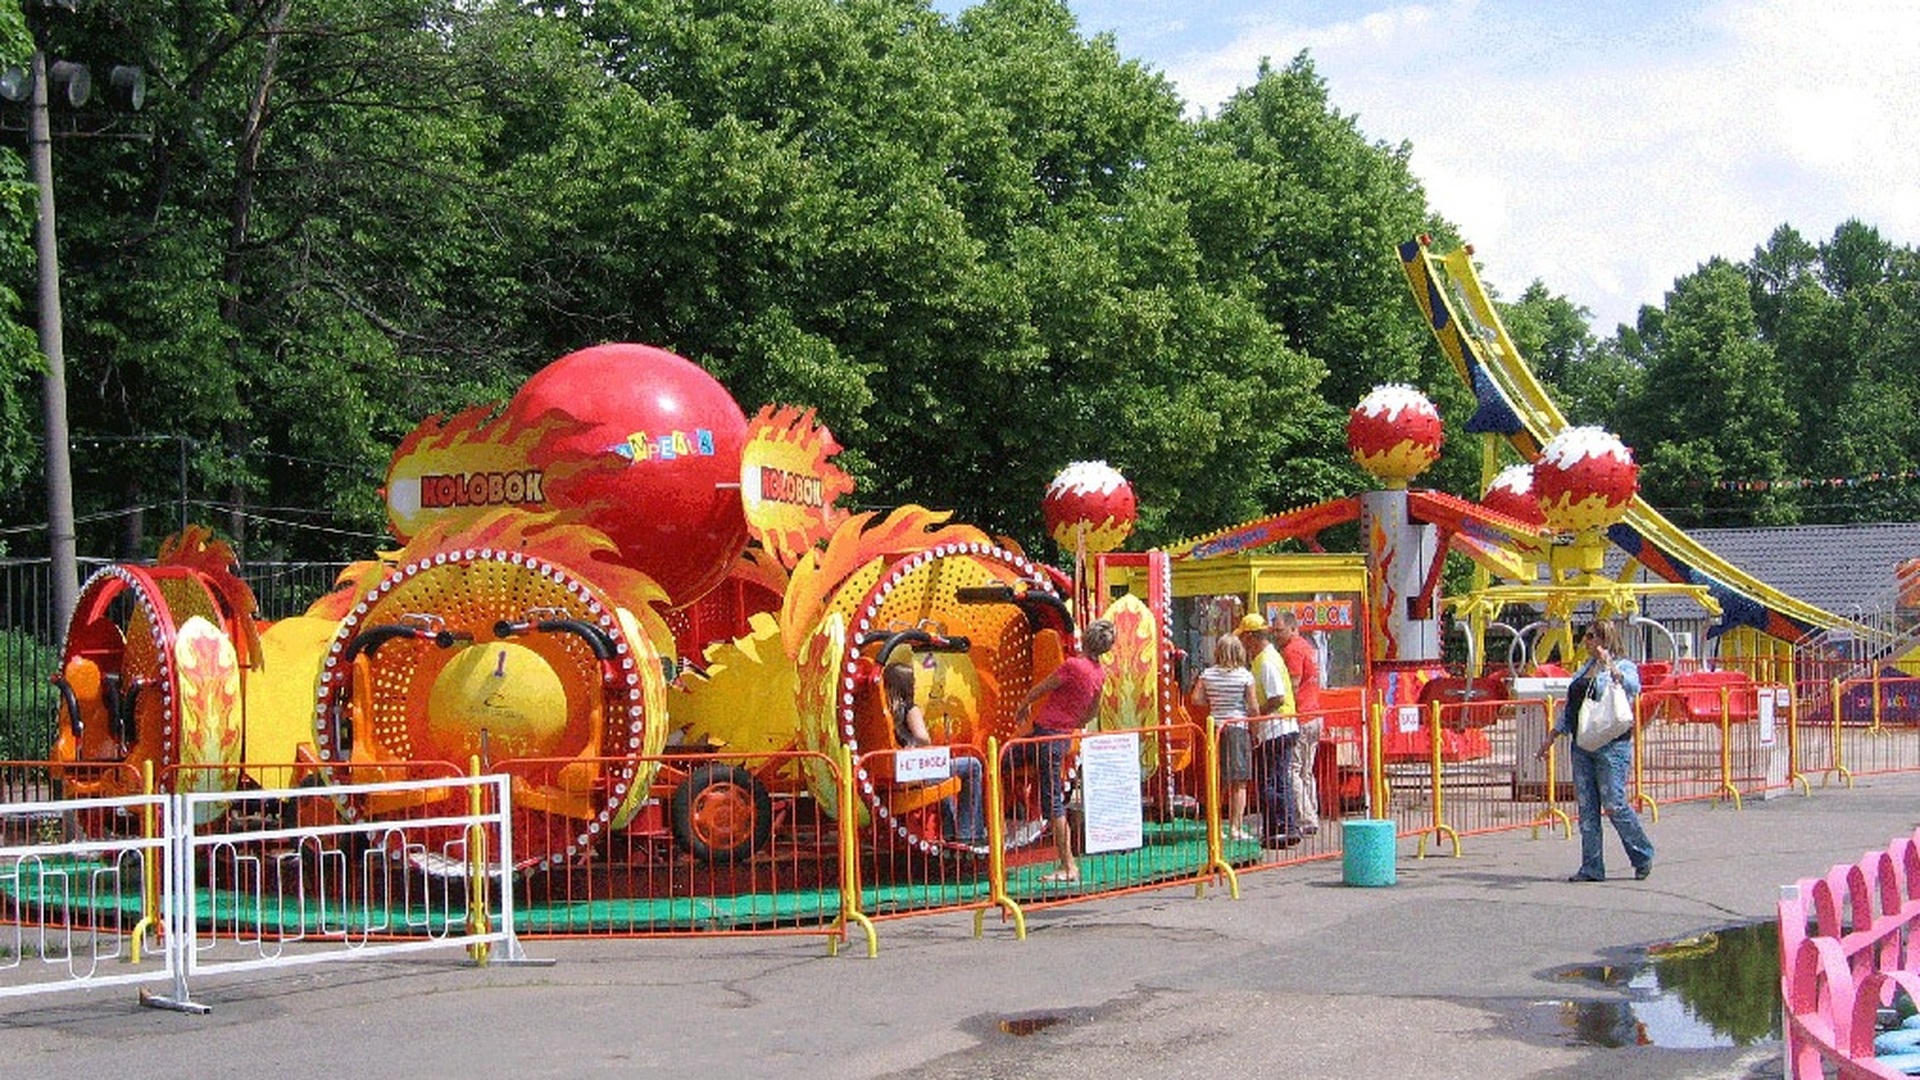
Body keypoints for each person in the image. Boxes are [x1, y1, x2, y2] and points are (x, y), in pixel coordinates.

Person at [1533, 619, 1654, 882]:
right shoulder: (1583, 669)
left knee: (1614, 803)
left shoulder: (1623, 666)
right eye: (1585, 636)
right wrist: (1552, 736)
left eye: (1590, 636)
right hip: (1582, 744)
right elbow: (1572, 707)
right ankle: (1592, 866)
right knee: (1587, 807)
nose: (1585, 641)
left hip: (1611, 744)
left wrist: (1609, 664)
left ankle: (1642, 853)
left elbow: (1633, 687)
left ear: (1604, 639)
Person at [1014, 618, 1117, 884]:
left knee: (1054, 803)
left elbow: (1043, 686)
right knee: (1010, 761)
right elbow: (1092, 710)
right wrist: (1075, 721)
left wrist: (1024, 703)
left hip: (1048, 734)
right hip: (1059, 735)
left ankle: (1068, 864)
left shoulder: (1073, 666)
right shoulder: (1098, 673)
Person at [884, 661, 985, 852]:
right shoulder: (909, 708)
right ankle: (970, 833)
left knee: (944, 774)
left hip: (894, 772)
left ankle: (949, 832)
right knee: (973, 765)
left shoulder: (886, 710)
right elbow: (923, 738)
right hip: (914, 772)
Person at [1190, 631, 1262, 844]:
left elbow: (1196, 698)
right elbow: (1253, 707)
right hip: (1237, 727)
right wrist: (1255, 730)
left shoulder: (1207, 674)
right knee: (1239, 781)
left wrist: (1213, 703)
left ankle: (1216, 827)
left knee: (1217, 780)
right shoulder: (1244, 675)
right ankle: (1235, 827)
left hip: (1216, 727)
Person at [1236, 614, 1299, 849]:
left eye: (1243, 638)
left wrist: (1256, 714)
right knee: (1278, 779)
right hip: (1279, 727)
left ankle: (1279, 827)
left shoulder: (1266, 661)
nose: (1242, 644)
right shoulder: (1264, 659)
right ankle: (1285, 826)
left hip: (1277, 727)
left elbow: (1277, 696)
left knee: (1272, 781)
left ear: (1252, 637)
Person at [1273, 610, 1324, 837]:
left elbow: (1292, 685)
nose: (1276, 635)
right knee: (1306, 771)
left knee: (1293, 770)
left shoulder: (1292, 650)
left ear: (1293, 628)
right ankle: (1311, 813)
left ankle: (1306, 817)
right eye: (1274, 631)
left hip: (1301, 715)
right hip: (1314, 713)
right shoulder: (1307, 646)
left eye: (1279, 630)